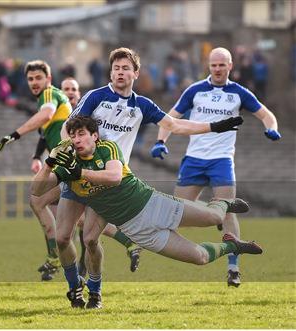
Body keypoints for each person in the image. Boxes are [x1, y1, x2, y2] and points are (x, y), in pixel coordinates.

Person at [56, 47, 244, 309]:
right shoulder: (96, 97)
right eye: (116, 68)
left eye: (125, 68)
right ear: (111, 72)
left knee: (89, 239)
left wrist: (212, 126)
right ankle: (74, 286)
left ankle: (95, 291)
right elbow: (69, 127)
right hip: (79, 176)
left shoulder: (141, 105)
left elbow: (175, 125)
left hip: (109, 182)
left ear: (136, 73)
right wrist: (68, 152)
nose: (120, 73)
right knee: (62, 237)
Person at [32, 116, 262, 309]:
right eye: (72, 136)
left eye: (81, 133)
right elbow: (37, 189)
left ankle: (223, 202)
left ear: (94, 135)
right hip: (138, 231)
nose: (76, 139)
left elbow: (113, 177)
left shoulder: (107, 148)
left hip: (153, 205)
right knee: (200, 258)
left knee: (215, 217)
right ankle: (233, 245)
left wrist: (78, 172)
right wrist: (49, 163)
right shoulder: (68, 164)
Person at [151, 47, 280, 287]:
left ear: (230, 66)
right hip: (194, 159)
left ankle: (233, 269)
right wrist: (160, 141)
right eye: (214, 65)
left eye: (222, 65)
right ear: (208, 66)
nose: (218, 69)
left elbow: (266, 114)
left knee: (229, 210)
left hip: (222, 160)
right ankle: (213, 212)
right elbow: (171, 117)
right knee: (178, 212)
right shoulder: (195, 90)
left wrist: (271, 128)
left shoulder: (238, 92)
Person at [31, 77, 142, 279]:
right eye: (66, 89)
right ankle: (69, 261)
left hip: (87, 172)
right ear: (61, 93)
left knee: (84, 228)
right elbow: (44, 137)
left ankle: (68, 264)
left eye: (74, 89)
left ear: (79, 93)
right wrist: (38, 157)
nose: (70, 92)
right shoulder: (58, 115)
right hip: (67, 172)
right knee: (60, 216)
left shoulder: (86, 114)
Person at [0, 60, 73, 281]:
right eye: (30, 79)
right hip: (63, 161)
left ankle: (57, 259)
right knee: (68, 216)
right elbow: (45, 131)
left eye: (38, 78)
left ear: (48, 79)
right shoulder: (50, 96)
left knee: (45, 205)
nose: (34, 82)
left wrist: (14, 135)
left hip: (67, 161)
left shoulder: (49, 94)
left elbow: (46, 116)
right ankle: (57, 259)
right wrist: (36, 156)